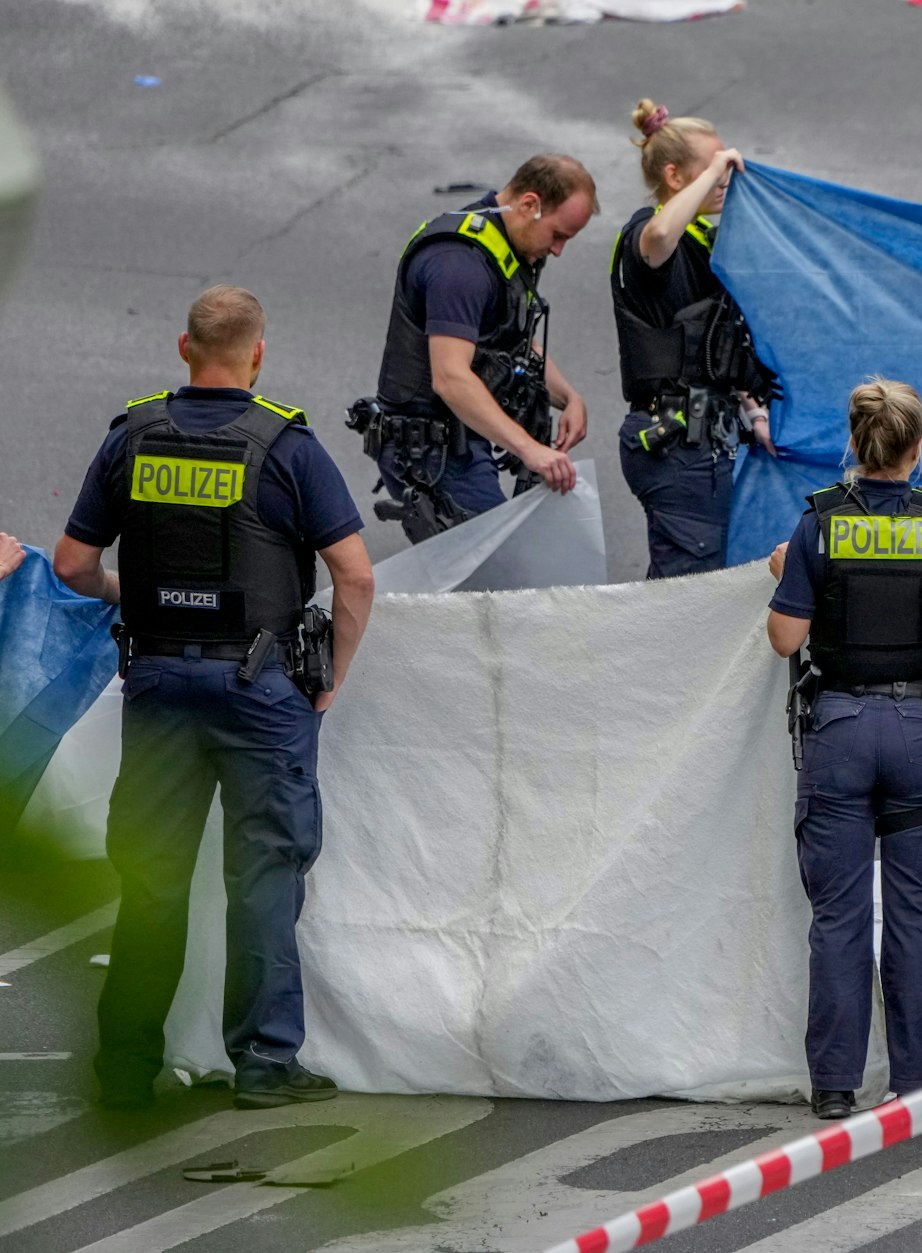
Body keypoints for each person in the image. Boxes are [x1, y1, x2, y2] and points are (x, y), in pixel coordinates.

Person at [53, 286, 376, 1111]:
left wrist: (133, 594)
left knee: (151, 879)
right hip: (261, 690)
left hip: (159, 684)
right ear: (257, 353)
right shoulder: (287, 446)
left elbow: (72, 565)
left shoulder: (132, 438)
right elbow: (354, 575)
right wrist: (332, 674)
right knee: (263, 875)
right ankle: (263, 1064)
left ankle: (126, 1068)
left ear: (184, 347)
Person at [766, 378, 922, 1121]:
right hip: (918, 737)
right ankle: (919, 1085)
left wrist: (786, 575)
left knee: (839, 917)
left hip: (839, 732)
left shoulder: (818, 524)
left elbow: (784, 637)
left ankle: (835, 1084)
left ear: (854, 441)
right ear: (917, 448)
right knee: (914, 920)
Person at [365, 154, 595, 543]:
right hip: (430, 453)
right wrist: (529, 449)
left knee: (504, 562)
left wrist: (569, 397)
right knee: (500, 568)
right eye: (558, 235)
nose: (558, 250)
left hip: (462, 436)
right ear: (529, 204)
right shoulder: (459, 265)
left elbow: (514, 340)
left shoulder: (503, 241)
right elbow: (450, 378)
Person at [612, 98, 776, 579]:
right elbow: (661, 233)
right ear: (674, 175)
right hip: (676, 447)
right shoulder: (647, 233)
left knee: (690, 587)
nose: (724, 179)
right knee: (685, 597)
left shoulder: (703, 244)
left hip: (704, 441)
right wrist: (716, 170)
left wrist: (753, 410)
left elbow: (716, 346)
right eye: (711, 169)